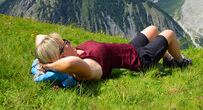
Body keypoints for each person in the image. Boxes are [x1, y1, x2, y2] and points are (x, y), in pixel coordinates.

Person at [35, 26, 192, 81]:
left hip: (129, 49)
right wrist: (50, 66)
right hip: (139, 61)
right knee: (169, 33)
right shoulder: (85, 68)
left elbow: (39, 37)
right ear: (62, 57)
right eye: (65, 43)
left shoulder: (74, 54)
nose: (68, 42)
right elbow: (71, 64)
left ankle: (167, 59)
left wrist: (44, 57)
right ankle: (180, 61)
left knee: (153, 29)